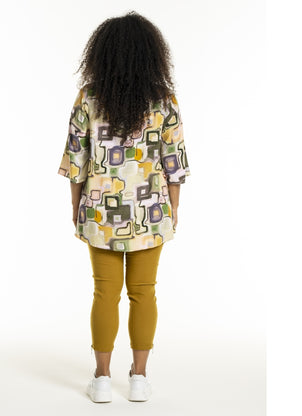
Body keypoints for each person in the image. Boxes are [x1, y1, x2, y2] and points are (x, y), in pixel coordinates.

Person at [57, 11, 190, 403]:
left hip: (100, 213)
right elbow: (174, 164)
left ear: (102, 53)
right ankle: (139, 378)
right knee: (144, 292)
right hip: (152, 214)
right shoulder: (163, 101)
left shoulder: (89, 98)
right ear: (152, 54)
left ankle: (101, 379)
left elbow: (76, 162)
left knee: (105, 293)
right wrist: (173, 210)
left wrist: (76, 208)